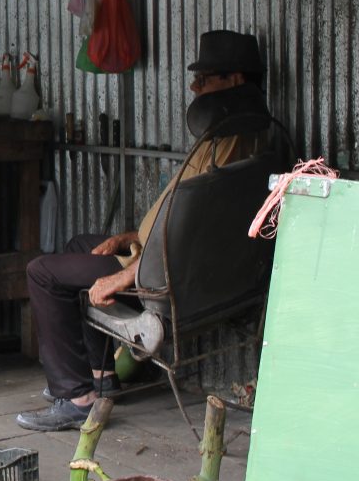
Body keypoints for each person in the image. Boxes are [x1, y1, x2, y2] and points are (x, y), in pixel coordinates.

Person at [16, 29, 277, 431]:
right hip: (167, 261)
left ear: (235, 81)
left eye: (204, 79)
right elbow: (180, 226)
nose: (194, 86)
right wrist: (133, 236)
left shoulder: (225, 155)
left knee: (43, 273)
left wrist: (125, 276)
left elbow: (186, 239)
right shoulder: (252, 142)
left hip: (160, 278)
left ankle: (77, 397)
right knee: (79, 247)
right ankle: (103, 378)